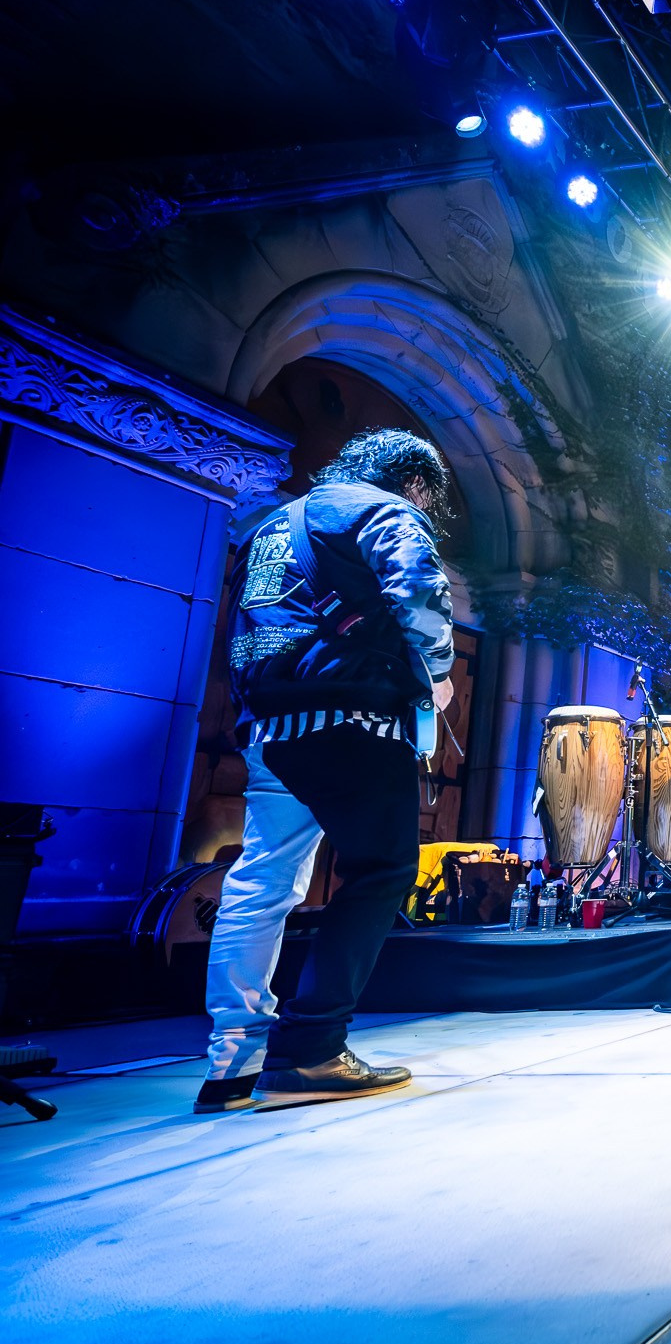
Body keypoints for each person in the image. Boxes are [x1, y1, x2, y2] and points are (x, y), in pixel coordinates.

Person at [194, 428, 454, 1114]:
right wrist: (436, 676)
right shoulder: (382, 508)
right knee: (382, 871)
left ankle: (232, 1059)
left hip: (271, 725)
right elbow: (420, 591)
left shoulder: (272, 524)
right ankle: (310, 1049)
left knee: (263, 880)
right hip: (350, 718)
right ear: (413, 480)